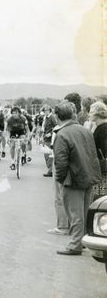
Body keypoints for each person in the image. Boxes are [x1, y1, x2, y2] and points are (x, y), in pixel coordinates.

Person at [53, 101, 101, 255]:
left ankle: (75, 245)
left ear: (57, 116)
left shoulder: (62, 134)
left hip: (73, 179)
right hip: (89, 176)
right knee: (85, 211)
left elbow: (60, 162)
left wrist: (60, 180)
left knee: (75, 214)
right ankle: (83, 241)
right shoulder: (85, 130)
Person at [89, 101, 107, 200]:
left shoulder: (103, 129)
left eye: (91, 111)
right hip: (100, 168)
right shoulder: (99, 127)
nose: (89, 114)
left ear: (98, 113)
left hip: (102, 169)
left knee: (101, 198)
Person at [5, 106, 30, 170]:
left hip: (21, 131)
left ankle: (23, 154)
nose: (14, 114)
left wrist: (28, 137)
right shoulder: (9, 119)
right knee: (12, 145)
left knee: (23, 141)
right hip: (13, 132)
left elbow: (27, 130)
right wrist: (7, 138)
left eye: (16, 113)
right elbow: (7, 131)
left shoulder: (23, 118)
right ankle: (13, 162)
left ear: (19, 113)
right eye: (13, 113)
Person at [41, 105, 56, 177]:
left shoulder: (52, 117)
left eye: (46, 110)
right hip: (45, 138)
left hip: (50, 139)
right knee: (46, 155)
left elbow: (56, 126)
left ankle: (50, 171)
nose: (45, 112)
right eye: (44, 110)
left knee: (48, 155)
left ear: (50, 110)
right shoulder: (46, 118)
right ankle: (50, 170)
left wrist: (50, 133)